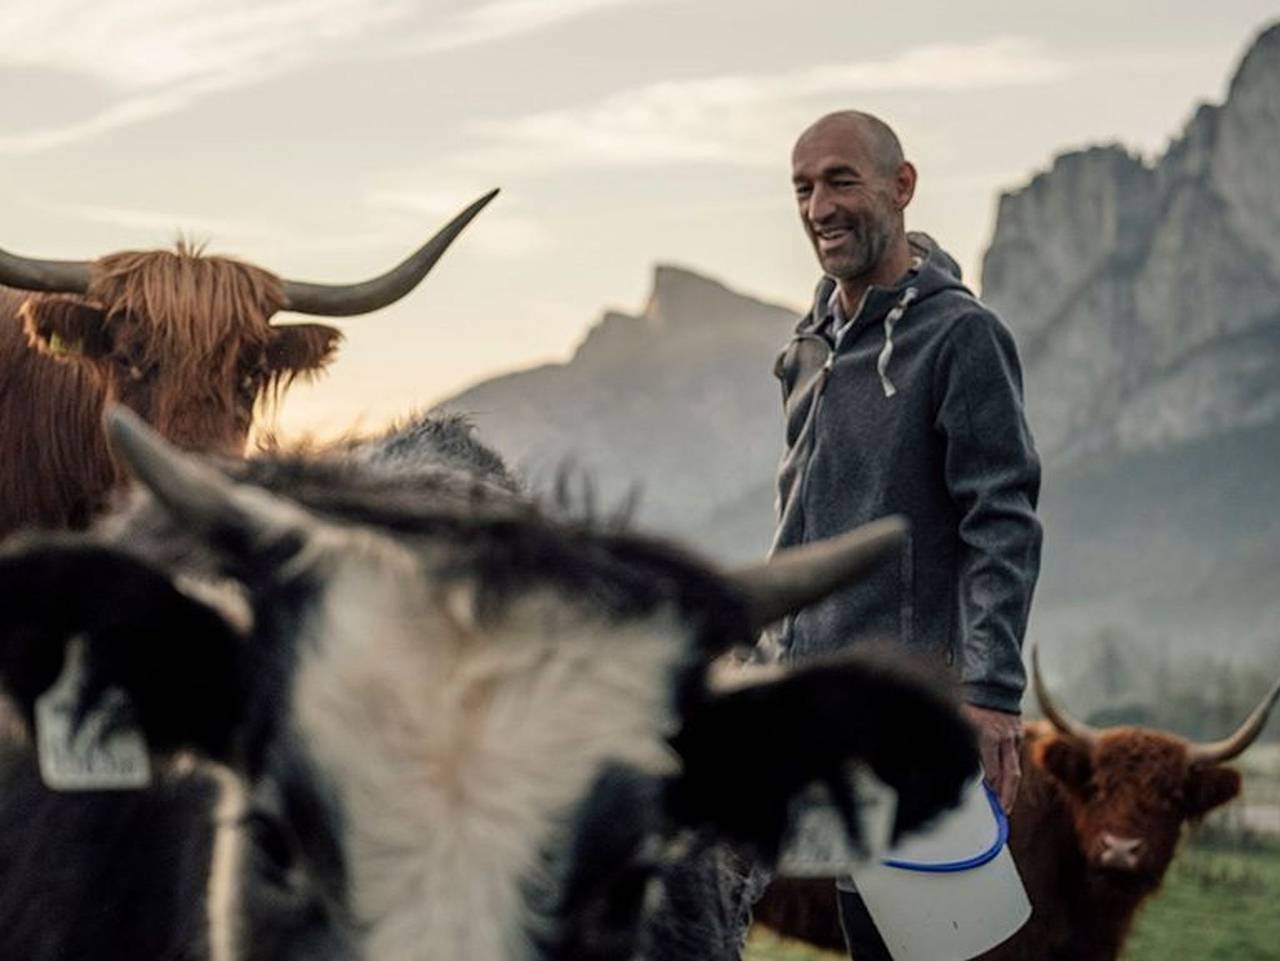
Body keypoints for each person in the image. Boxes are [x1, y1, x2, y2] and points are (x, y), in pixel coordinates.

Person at [770, 110, 1042, 959]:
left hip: (917, 715)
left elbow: (1003, 517)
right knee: (864, 934)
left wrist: (993, 691)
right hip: (823, 708)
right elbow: (804, 522)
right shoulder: (806, 347)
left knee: (938, 940)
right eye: (804, 187)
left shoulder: (962, 337)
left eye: (842, 180)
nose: (820, 206)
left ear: (902, 185)